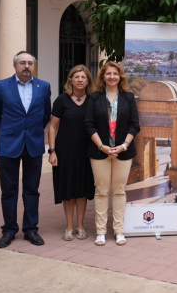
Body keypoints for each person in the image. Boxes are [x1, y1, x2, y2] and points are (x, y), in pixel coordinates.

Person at [0, 51, 51, 248]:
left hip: (33, 144)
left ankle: (31, 229)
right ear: (15, 65)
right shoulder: (1, 86)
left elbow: (45, 115)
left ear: (34, 66)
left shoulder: (44, 87)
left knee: (32, 190)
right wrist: (8, 132)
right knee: (8, 190)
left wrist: (32, 131)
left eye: (30, 63)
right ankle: (8, 230)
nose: (26, 66)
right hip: (9, 145)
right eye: (23, 63)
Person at [85, 61, 140, 246]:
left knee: (119, 191)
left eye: (115, 74)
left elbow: (134, 125)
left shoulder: (128, 97)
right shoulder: (95, 98)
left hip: (123, 152)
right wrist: (102, 146)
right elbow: (89, 124)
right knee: (101, 191)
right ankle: (100, 231)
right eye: (108, 74)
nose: (112, 77)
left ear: (120, 76)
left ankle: (118, 231)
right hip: (100, 151)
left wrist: (124, 145)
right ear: (103, 77)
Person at [48, 65, 96, 241]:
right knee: (68, 190)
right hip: (64, 151)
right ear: (70, 80)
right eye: (76, 77)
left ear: (88, 80)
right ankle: (69, 226)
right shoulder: (62, 100)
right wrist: (52, 151)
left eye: (83, 77)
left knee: (82, 190)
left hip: (86, 152)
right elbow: (53, 127)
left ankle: (81, 226)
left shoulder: (93, 100)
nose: (80, 80)